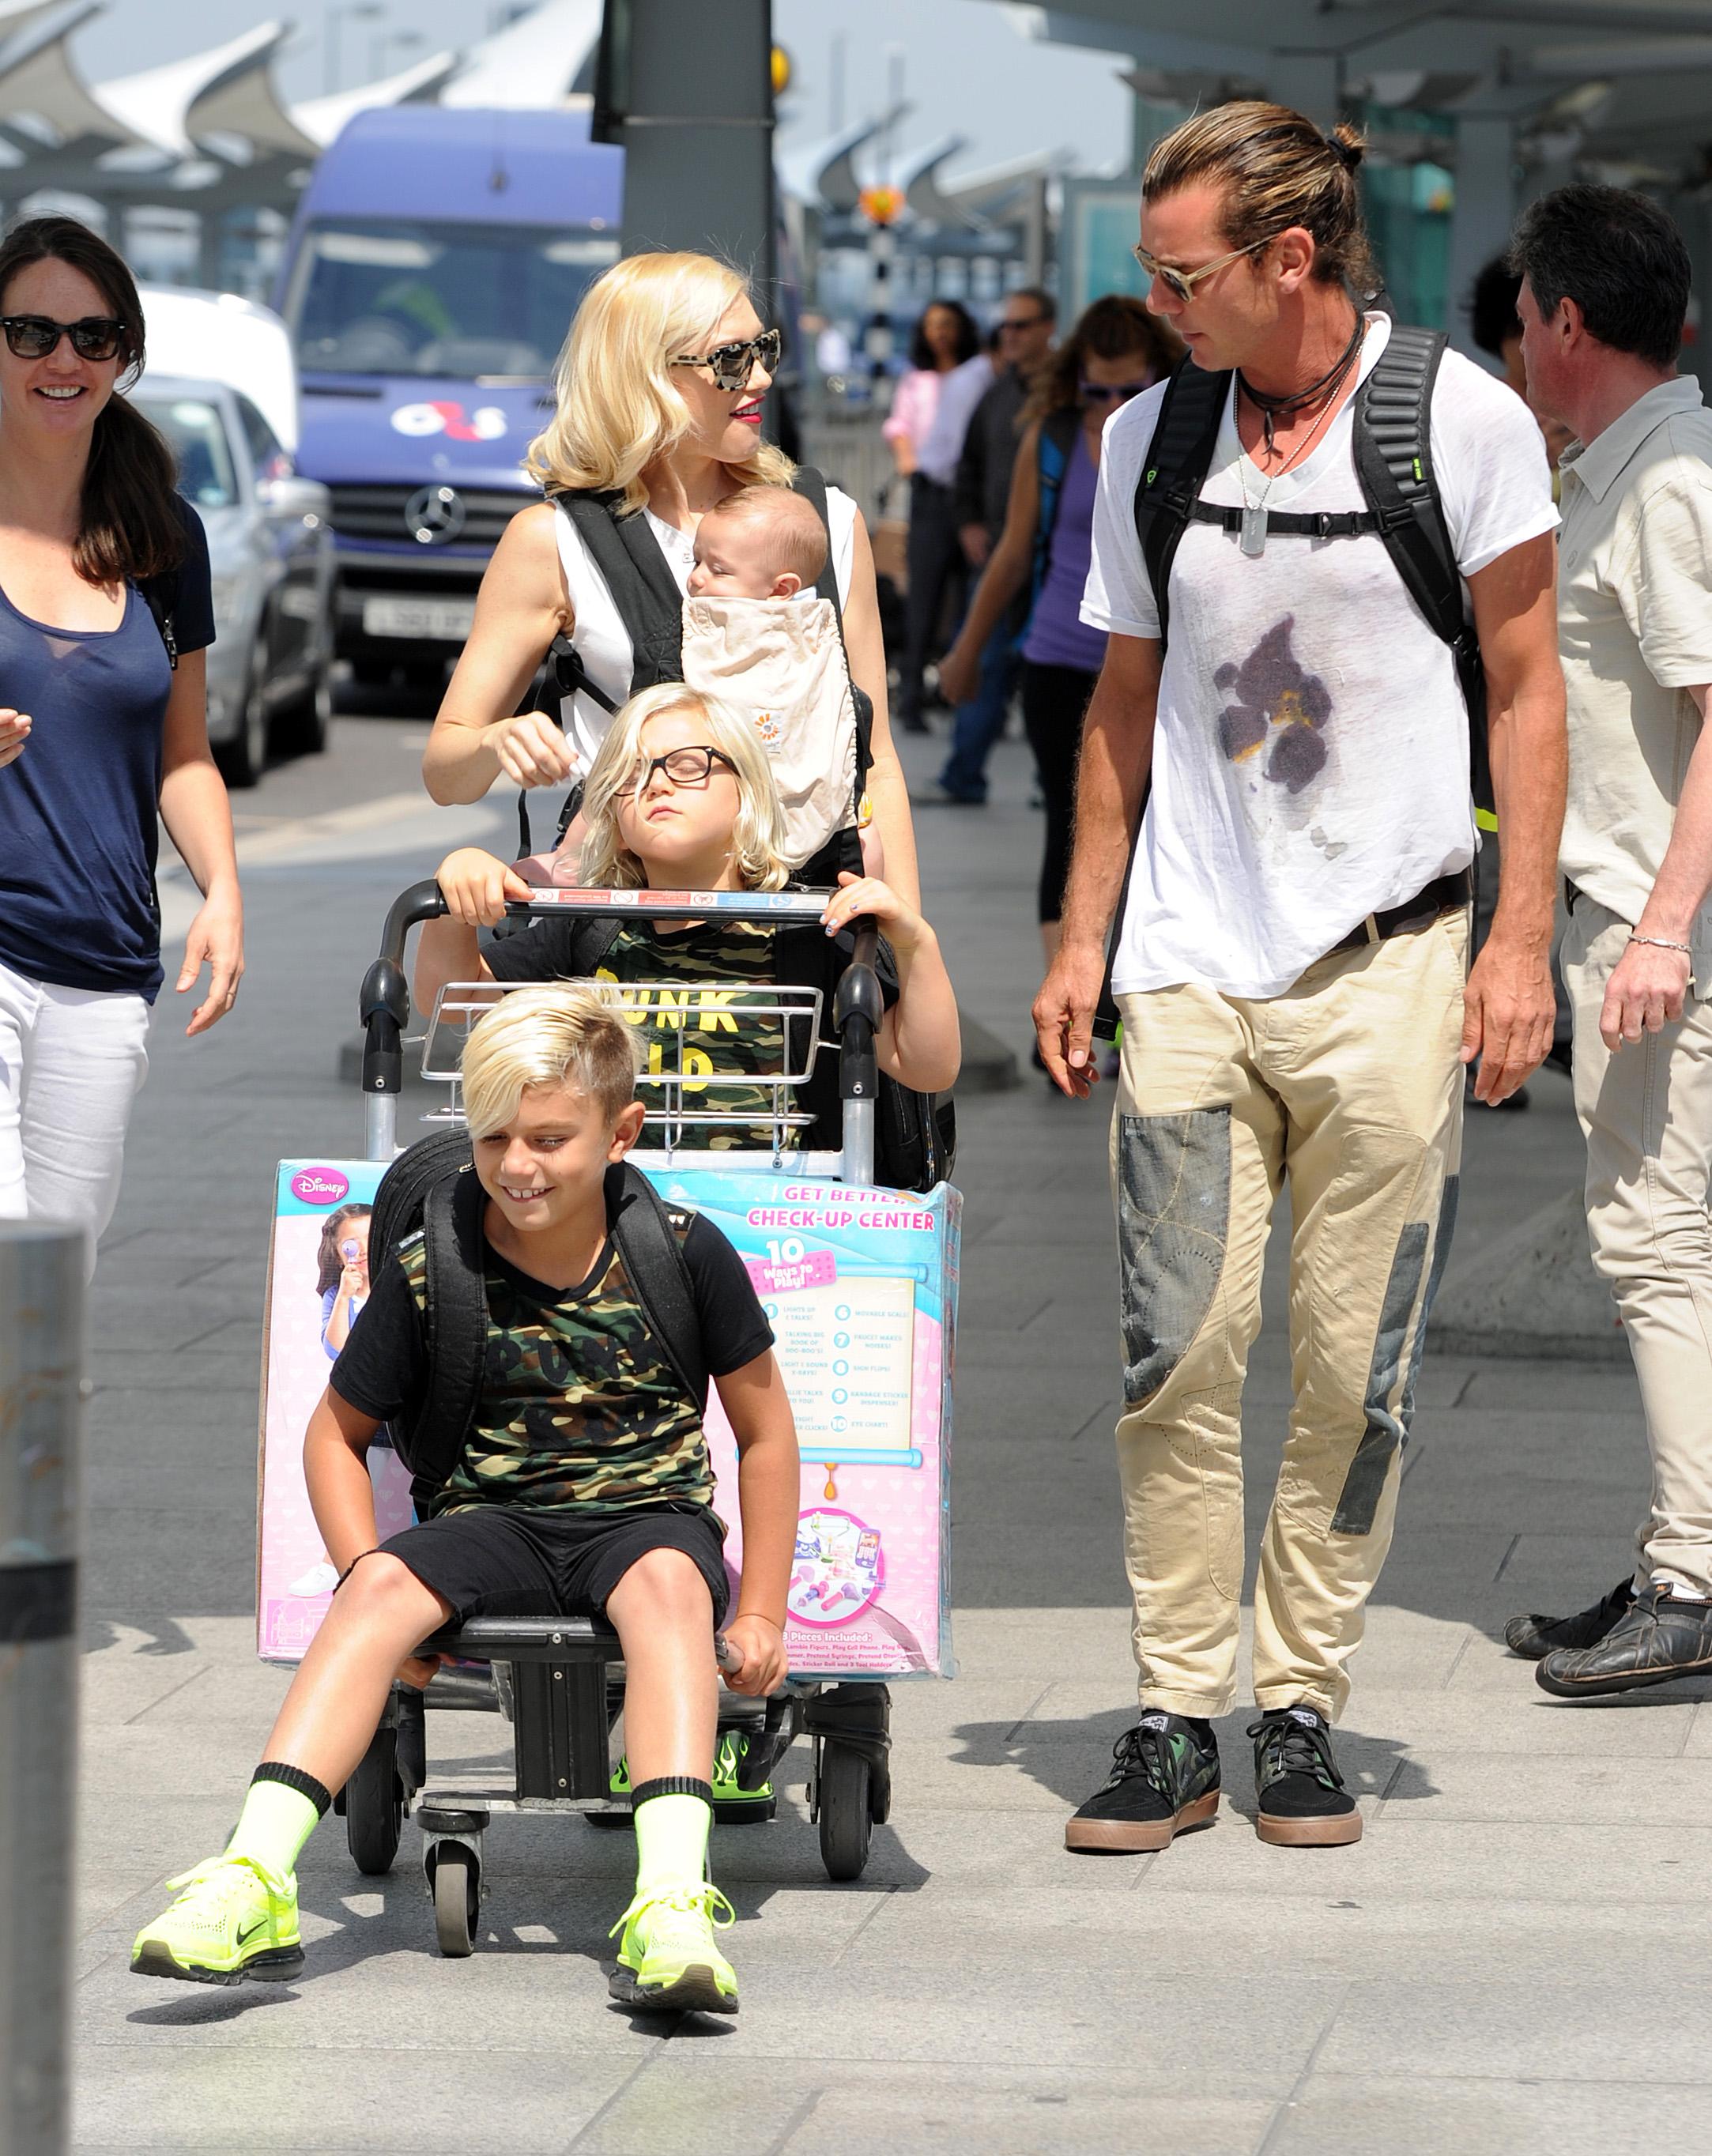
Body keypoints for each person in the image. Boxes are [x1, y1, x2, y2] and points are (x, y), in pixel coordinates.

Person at [1031, 104, 1564, 1853]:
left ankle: (1306, 1698)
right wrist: (1080, 935)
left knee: (1357, 1367)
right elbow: (1118, 700)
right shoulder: (1146, 439)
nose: (1160, 300)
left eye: (1185, 275)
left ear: (1288, 261)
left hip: (1393, 965)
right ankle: (1181, 1710)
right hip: (1191, 959)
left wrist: (1520, 940)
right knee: (1178, 1350)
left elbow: (1527, 687)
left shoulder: (1460, 420)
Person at [132, 983, 799, 2013]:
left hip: (646, 1516)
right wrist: (367, 1567)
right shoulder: (428, 1262)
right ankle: (252, 1875)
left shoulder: (681, 1247)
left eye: (549, 1138)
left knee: (670, 1592)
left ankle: (671, 1896)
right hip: (488, 1519)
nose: (519, 1166)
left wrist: (758, 1610)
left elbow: (763, 1431)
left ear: (620, 1132)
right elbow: (334, 1434)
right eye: (494, 1140)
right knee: (375, 1592)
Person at [420, 251, 920, 912]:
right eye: (732, 359)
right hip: (624, 938)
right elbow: (446, 772)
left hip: (811, 929)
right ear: (644, 377)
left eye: (765, 348)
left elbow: (874, 753)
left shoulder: (823, 521)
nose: (764, 376)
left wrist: (908, 948)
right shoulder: (554, 540)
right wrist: (495, 740)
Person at [1500, 187, 1712, 1698]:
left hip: (1656, 938)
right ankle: (1675, 1551)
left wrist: (1658, 930)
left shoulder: (1668, 485)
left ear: (1568, 322)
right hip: (1629, 920)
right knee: (1660, 1243)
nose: (1514, 347)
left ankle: (1691, 1579)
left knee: (1658, 1245)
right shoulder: (1619, 471)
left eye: (1519, 320)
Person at [0, 215, 242, 1268]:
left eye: (93, 338)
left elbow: (182, 752)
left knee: (58, 1272)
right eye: (31, 333)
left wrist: (223, 891)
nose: (65, 360)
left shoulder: (161, 536)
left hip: (102, 958)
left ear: (124, 356)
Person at [415, 684, 960, 1125]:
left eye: (686, 764)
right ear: (616, 824)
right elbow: (451, 1001)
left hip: (768, 1214)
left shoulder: (803, 931)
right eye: (631, 774)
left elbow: (926, 1067)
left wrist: (916, 943)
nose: (655, 784)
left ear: (747, 794)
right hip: (617, 1202)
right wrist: (456, 897)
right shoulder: (591, 925)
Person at [936, 297, 1175, 962]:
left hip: (1157, 669)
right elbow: (1013, 553)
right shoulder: (1053, 439)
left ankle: (1129, 993)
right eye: (1097, 389)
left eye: (1132, 389)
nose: (1112, 404)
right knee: (1074, 831)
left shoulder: (1186, 438)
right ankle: (1069, 1000)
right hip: (1060, 663)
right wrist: (966, 653)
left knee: (1155, 828)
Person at [934, 288, 1058, 804]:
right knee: (983, 661)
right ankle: (964, 774)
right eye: (1005, 328)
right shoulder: (997, 394)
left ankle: (1050, 782)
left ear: (1048, 328)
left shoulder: (1067, 392)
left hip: (1055, 559)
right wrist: (968, 524)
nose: (1010, 336)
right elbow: (969, 466)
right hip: (1002, 551)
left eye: (1021, 326)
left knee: (1049, 674)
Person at [884, 299, 981, 733]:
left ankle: (953, 691)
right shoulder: (916, 380)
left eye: (948, 325)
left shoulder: (977, 375)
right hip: (931, 493)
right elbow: (898, 426)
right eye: (932, 326)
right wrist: (908, 461)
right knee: (923, 596)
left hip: (971, 491)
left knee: (967, 597)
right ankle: (910, 700)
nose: (940, 333)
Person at [317, 1203, 371, 1358]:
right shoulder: (335, 1296)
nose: (364, 1250)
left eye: (370, 1238)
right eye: (352, 1244)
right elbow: (336, 1351)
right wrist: (344, 1297)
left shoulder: (397, 1288)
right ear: (337, 1256)